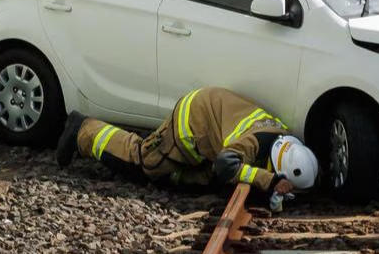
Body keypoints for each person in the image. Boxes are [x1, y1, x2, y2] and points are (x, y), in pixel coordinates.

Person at [55, 87, 319, 208]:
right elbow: (225, 165)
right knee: (144, 163)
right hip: (191, 124)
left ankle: (175, 174)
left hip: (208, 117)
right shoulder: (256, 143)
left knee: (203, 180)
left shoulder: (280, 137)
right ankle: (82, 130)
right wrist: (270, 180)